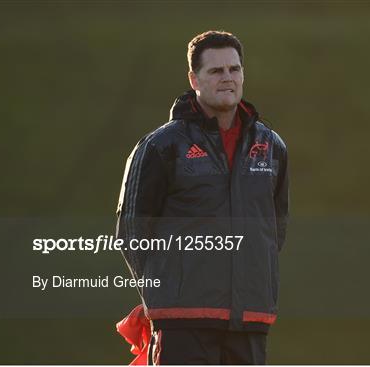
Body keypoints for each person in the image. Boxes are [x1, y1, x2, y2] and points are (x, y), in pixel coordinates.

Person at [115, 30, 289, 365]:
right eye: (216, 71)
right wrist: (164, 295)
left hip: (250, 319)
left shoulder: (272, 147)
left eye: (234, 69)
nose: (228, 78)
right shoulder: (160, 147)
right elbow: (132, 233)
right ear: (194, 78)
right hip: (182, 320)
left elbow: (274, 230)